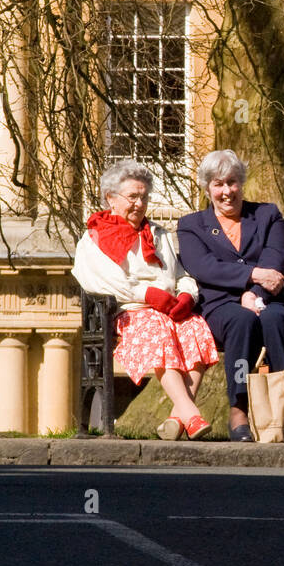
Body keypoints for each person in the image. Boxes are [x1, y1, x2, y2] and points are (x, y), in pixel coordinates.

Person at [71, 159, 218, 441]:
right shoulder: (94, 238)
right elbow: (104, 281)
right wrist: (148, 295)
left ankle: (178, 418)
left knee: (196, 327)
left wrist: (187, 294)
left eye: (144, 197)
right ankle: (192, 414)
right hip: (126, 312)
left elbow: (180, 274)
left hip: (167, 308)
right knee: (157, 328)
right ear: (111, 199)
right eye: (132, 197)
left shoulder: (158, 235)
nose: (139, 203)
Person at [176, 150, 284, 443]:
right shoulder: (191, 225)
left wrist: (256, 293)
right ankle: (238, 407)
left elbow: (277, 258)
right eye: (219, 184)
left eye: (232, 182)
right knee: (241, 321)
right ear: (207, 187)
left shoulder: (267, 214)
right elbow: (204, 267)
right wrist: (251, 278)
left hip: (268, 299)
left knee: (278, 319)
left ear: (241, 183)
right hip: (221, 307)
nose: (227, 192)